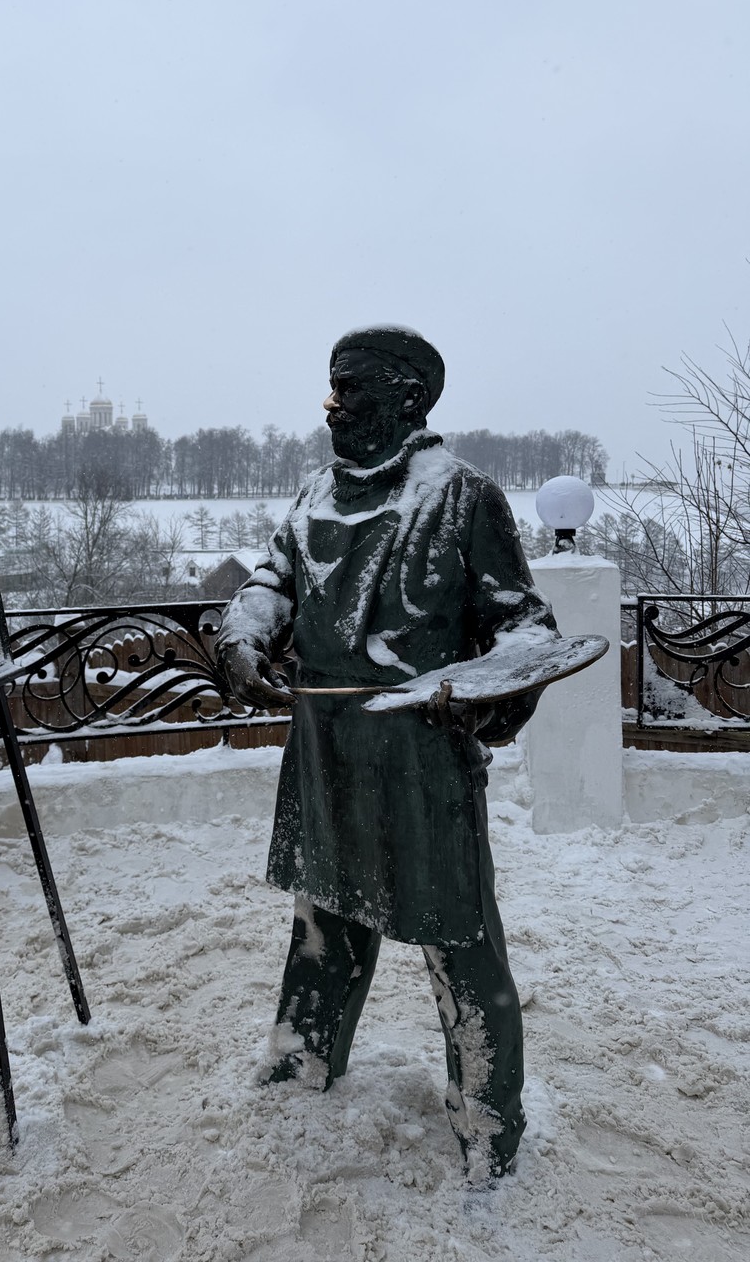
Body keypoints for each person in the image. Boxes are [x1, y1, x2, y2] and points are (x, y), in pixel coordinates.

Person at [217, 324, 557, 1185]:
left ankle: (488, 1111)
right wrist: (248, 632)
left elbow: (527, 630)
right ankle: (303, 1057)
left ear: (410, 397)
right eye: (331, 386)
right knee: (323, 918)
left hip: (420, 757)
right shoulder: (313, 496)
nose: (333, 403)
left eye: (352, 387)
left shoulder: (462, 496)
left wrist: (478, 689)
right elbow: (273, 579)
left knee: (459, 937)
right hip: (327, 749)